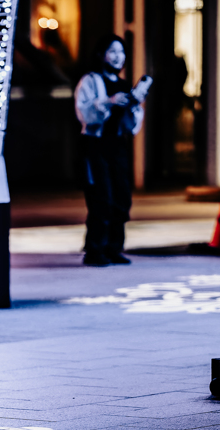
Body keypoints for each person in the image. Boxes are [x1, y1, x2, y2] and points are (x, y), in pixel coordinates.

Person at [74, 35, 148, 266]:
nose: (118, 57)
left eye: (121, 52)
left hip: (117, 145)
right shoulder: (90, 80)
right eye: (112, 51)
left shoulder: (124, 84)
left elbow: (131, 126)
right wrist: (108, 101)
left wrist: (134, 105)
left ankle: (114, 248)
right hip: (95, 145)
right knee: (101, 198)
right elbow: (84, 114)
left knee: (121, 197)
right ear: (101, 54)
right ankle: (95, 250)